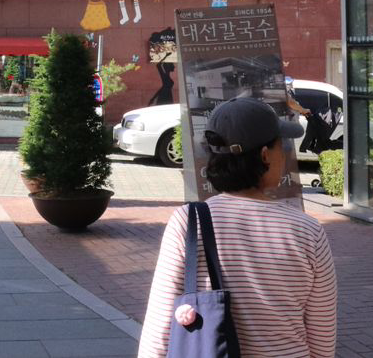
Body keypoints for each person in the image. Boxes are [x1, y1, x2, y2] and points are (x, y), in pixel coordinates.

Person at [137, 97, 337, 358]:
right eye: (282, 146)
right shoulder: (307, 231)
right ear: (265, 155)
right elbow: (322, 338)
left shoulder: (188, 222)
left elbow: (159, 329)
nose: (286, 154)